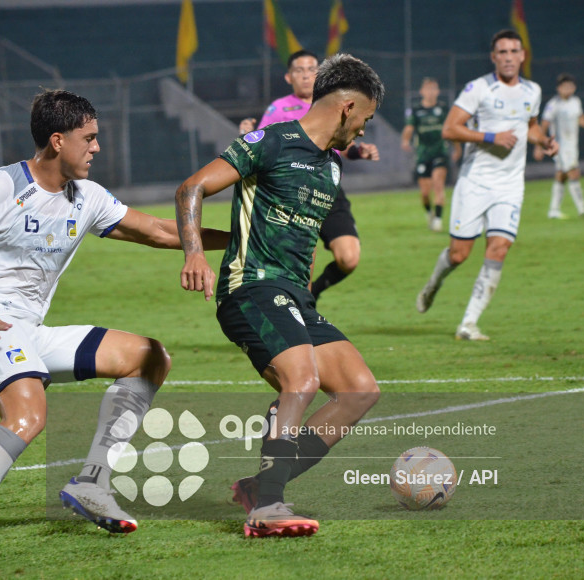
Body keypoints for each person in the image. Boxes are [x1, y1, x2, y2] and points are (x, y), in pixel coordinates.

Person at [0, 89, 227, 564]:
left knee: (149, 357)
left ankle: (93, 482)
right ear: (57, 141)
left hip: (30, 330)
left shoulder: (87, 196)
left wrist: (242, 241)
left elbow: (158, 231)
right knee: (29, 416)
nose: (97, 148)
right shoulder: (0, 186)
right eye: (89, 138)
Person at [176, 54, 384, 538]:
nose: (362, 131)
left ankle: (261, 484)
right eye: (366, 120)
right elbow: (192, 188)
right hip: (249, 286)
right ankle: (268, 506)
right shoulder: (269, 142)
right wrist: (194, 255)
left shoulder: (331, 170)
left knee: (359, 390)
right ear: (348, 106)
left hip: (295, 295)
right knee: (303, 379)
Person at [415, 29, 558, 341]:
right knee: (459, 255)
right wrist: (491, 137)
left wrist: (544, 140)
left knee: (500, 247)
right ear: (494, 57)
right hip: (475, 182)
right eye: (502, 52)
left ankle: (468, 323)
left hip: (510, 185)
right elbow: (449, 129)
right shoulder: (477, 89)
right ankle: (433, 284)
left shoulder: (532, 90)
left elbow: (529, 127)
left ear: (523, 56)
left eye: (513, 51)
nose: (508, 57)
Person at [239, 50, 380, 304]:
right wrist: (246, 136)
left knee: (349, 258)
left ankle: (310, 296)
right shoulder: (279, 108)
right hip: (294, 192)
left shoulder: (333, 102)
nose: (306, 75)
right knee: (304, 260)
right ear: (288, 76)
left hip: (329, 187)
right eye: (299, 70)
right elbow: (262, 148)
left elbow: (342, 144)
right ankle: (302, 307)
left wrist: (360, 152)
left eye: (311, 69)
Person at [534, 73, 584, 219]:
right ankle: (582, 209)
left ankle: (553, 210)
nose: (568, 89)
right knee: (574, 172)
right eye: (565, 86)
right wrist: (539, 145)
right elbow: (544, 124)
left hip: (572, 145)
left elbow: (581, 119)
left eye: (570, 86)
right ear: (558, 88)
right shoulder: (553, 105)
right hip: (560, 147)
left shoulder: (575, 102)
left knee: (561, 176)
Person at [400, 77, 462, 232]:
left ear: (438, 91)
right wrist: (405, 140)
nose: (430, 92)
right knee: (425, 192)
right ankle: (429, 213)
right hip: (423, 154)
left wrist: (457, 148)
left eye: (433, 89)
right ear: (422, 92)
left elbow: (451, 130)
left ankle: (438, 221)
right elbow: (409, 127)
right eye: (427, 89)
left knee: (438, 184)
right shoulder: (416, 110)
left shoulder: (443, 109)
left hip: (440, 152)